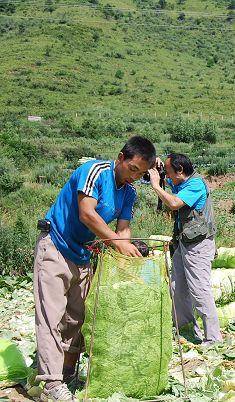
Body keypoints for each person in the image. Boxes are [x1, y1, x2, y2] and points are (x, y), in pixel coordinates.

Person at [34, 136, 156, 401]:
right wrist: (117, 244)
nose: (134, 176)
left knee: (76, 318)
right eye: (132, 169)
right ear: (121, 157)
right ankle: (51, 384)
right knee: (51, 316)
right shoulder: (95, 171)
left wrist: (128, 256)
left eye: (141, 173)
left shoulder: (129, 193)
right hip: (55, 245)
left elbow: (123, 229)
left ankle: (65, 372)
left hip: (83, 254)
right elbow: (86, 214)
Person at [148, 153, 222, 347]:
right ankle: (187, 330)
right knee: (177, 287)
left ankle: (213, 338)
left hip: (199, 244)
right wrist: (159, 168)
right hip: (183, 242)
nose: (167, 176)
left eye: (169, 173)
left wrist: (156, 185)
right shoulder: (181, 183)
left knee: (199, 290)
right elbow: (173, 189)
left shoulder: (195, 185)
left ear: (180, 171)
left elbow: (173, 203)